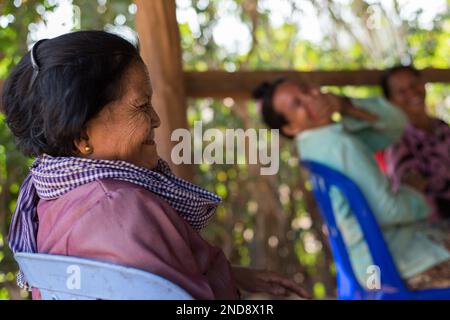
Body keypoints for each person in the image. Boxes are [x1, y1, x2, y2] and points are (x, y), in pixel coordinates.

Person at [2, 31, 309, 300]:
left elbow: (131, 278)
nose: (157, 119)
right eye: (141, 105)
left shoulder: (49, 192)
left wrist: (231, 274)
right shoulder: (120, 207)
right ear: (83, 134)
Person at [253, 78, 450, 290]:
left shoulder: (318, 142)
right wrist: (414, 192)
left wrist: (345, 105)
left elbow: (397, 124)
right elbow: (388, 211)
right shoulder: (338, 145)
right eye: (297, 104)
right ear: (290, 128)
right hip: (399, 262)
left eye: (306, 89)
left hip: (371, 263)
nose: (312, 98)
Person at [380, 65, 450, 219]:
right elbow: (412, 190)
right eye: (401, 91)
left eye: (413, 85)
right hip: (435, 223)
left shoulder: (442, 127)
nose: (411, 92)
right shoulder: (397, 141)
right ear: (391, 100)